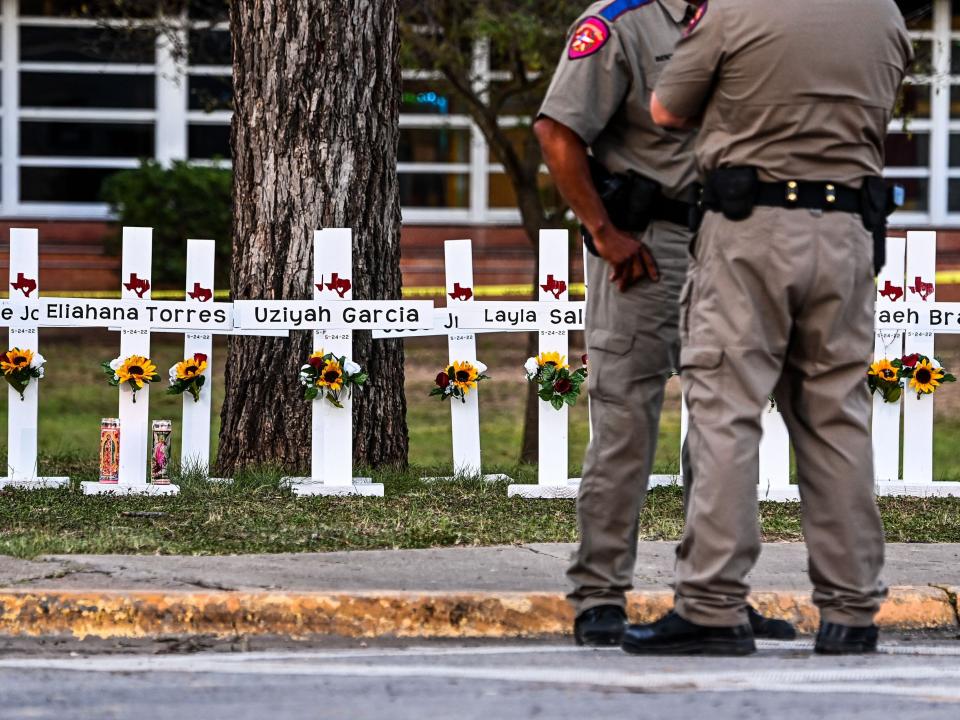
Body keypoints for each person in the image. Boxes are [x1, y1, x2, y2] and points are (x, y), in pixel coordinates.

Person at [621, 0, 913, 656]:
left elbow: (668, 108)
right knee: (836, 415)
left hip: (752, 227)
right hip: (847, 231)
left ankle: (712, 605)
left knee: (727, 408)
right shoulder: (884, 14)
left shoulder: (735, 9)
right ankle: (851, 610)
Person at [534, 0, 794, 647]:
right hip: (644, 248)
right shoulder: (621, 22)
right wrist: (602, 232)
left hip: (730, 243)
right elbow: (556, 130)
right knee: (624, 423)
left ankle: (713, 598)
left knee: (726, 426)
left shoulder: (746, 18)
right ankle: (599, 596)